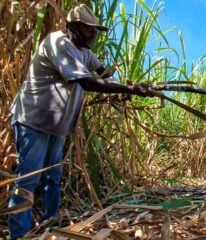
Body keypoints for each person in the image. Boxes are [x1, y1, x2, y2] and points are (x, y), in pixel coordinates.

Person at [8, 4, 153, 239]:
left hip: (58, 126)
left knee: (53, 178)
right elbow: (87, 82)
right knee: (28, 180)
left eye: (96, 30)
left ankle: (49, 224)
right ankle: (18, 234)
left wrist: (123, 87)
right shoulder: (58, 43)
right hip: (33, 121)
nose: (94, 35)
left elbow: (103, 73)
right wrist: (132, 89)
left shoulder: (85, 52)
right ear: (73, 27)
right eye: (89, 30)